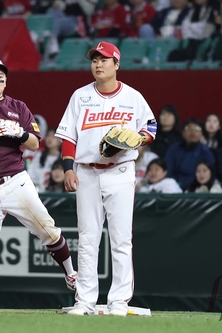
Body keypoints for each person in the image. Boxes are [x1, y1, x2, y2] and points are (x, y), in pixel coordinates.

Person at [0, 16, 77, 314]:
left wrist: (18, 133)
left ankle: (72, 274)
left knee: (47, 228)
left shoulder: (18, 107)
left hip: (15, 180)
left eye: (1, 77)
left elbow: (35, 142)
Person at [54, 40, 157, 316]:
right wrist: (68, 168)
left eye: (103, 60)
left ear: (116, 64)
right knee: (88, 238)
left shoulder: (133, 97)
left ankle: (119, 302)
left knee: (121, 238)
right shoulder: (80, 96)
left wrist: (140, 138)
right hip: (86, 171)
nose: (98, 64)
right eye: (94, 60)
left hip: (120, 171)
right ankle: (85, 301)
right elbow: (67, 137)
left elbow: (151, 126)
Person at [164, 117, 215, 190]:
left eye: (197, 129)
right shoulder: (173, 150)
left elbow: (209, 177)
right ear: (183, 132)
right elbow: (168, 172)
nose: (193, 132)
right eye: (189, 128)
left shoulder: (206, 152)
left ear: (201, 133)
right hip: (174, 188)